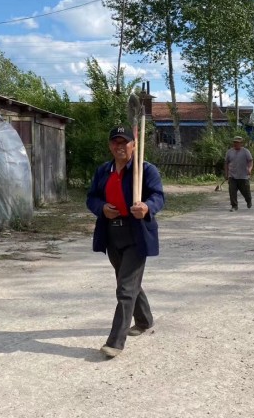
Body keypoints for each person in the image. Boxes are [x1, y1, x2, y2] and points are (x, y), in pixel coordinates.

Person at [86, 126, 165, 359]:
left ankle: (115, 342)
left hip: (137, 233)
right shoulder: (104, 171)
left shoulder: (145, 170)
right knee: (127, 282)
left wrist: (147, 207)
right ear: (110, 145)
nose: (119, 146)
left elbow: (158, 196)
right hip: (112, 233)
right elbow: (91, 197)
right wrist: (101, 208)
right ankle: (144, 320)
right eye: (115, 142)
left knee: (125, 288)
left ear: (134, 145)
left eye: (124, 142)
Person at [225, 136, 253, 211]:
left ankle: (249, 200)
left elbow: (250, 161)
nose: (236, 144)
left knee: (246, 192)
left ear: (241, 143)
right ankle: (234, 206)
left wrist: (249, 169)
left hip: (243, 176)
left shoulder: (246, 151)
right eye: (234, 142)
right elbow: (226, 163)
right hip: (232, 176)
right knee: (232, 191)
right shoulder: (229, 152)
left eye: (237, 142)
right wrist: (226, 174)